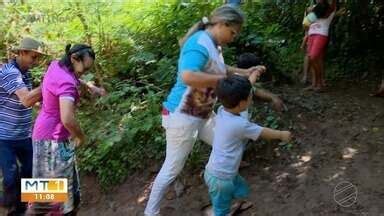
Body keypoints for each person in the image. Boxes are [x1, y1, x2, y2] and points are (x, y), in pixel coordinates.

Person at [144, 5, 265, 216]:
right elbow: (188, 76)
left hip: (203, 115)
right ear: (222, 24)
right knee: (172, 169)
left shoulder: (213, 45)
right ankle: (150, 212)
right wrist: (227, 80)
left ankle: (220, 205)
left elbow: (221, 69)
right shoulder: (199, 43)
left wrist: (244, 72)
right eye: (233, 32)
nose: (233, 37)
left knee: (231, 145)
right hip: (182, 117)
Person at [204, 75, 292, 216]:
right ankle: (218, 211)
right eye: (250, 95)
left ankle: (230, 204)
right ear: (241, 103)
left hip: (221, 172)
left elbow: (238, 100)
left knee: (240, 188)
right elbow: (262, 132)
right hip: (221, 179)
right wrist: (281, 134)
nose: (252, 96)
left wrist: (253, 76)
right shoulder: (239, 124)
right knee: (222, 208)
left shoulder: (223, 110)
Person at [27, 44, 96, 215]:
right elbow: (67, 119)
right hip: (52, 141)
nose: (85, 72)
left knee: (61, 193)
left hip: (46, 135)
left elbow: (71, 76)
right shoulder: (66, 82)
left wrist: (89, 86)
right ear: (74, 59)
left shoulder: (56, 65)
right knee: (45, 200)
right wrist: (80, 137)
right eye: (84, 68)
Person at [0, 37, 45, 215]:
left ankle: (26, 207)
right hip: (4, 136)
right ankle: (13, 209)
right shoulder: (11, 73)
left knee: (30, 172)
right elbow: (27, 100)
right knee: (11, 176)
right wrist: (50, 82)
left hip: (24, 134)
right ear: (22, 53)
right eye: (33, 57)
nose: (36, 62)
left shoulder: (25, 72)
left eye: (38, 58)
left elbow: (31, 99)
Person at [303, 0, 336, 91]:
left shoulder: (329, 9)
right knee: (313, 59)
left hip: (321, 35)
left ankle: (320, 84)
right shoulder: (315, 10)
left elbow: (333, 4)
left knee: (313, 57)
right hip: (311, 34)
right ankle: (315, 84)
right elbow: (305, 25)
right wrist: (311, 13)